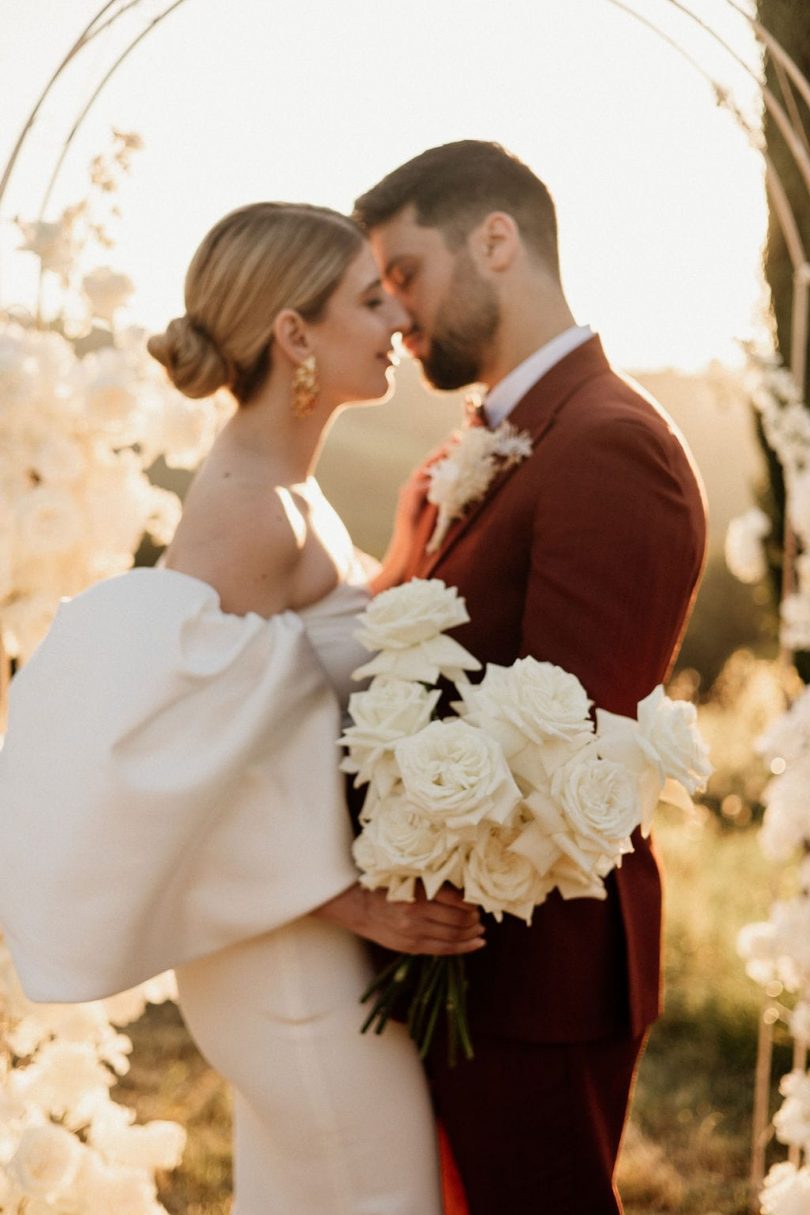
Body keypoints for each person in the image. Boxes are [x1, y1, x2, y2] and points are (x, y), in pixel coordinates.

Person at [0, 201, 485, 1215]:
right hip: (285, 965)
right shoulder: (245, 514)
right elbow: (172, 772)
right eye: (367, 299)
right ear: (294, 334)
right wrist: (347, 901)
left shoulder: (290, 492)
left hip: (287, 943)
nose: (396, 320)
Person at [354, 141, 708, 1215]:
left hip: (537, 976)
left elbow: (569, 747)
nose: (393, 315)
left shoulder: (608, 445)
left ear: (496, 240)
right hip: (446, 952)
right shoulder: (479, 447)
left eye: (404, 273)